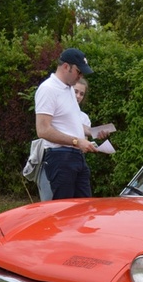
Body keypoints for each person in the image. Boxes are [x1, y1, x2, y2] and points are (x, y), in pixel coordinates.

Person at [35, 48, 98, 200]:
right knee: (64, 211)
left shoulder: (69, 89)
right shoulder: (48, 89)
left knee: (84, 207)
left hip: (77, 157)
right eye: (78, 71)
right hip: (60, 157)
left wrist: (93, 132)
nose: (80, 76)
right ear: (65, 67)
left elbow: (71, 123)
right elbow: (43, 130)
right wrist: (77, 141)